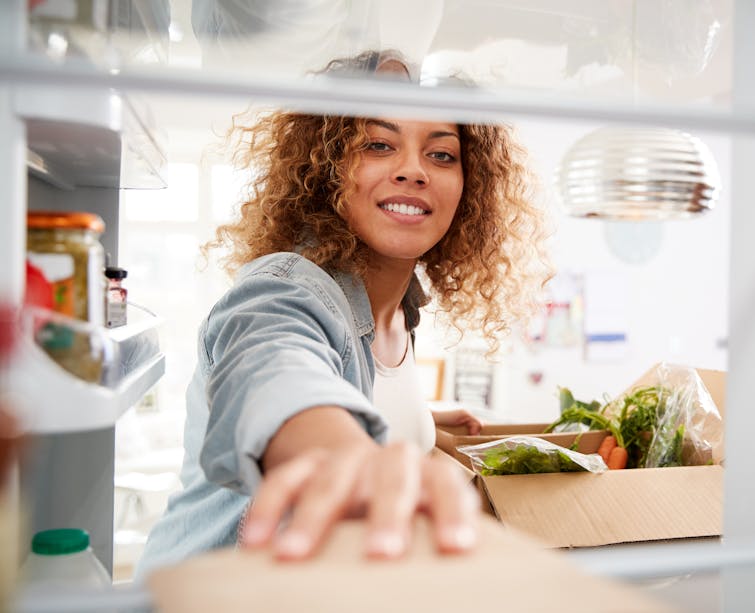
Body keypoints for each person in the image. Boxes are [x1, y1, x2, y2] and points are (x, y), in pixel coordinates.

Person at [135, 50, 550, 576]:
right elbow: (276, 370)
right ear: (327, 169)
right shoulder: (285, 289)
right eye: (379, 145)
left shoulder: (403, 307)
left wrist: (422, 424)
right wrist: (343, 456)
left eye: (442, 155)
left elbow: (353, 384)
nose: (414, 171)